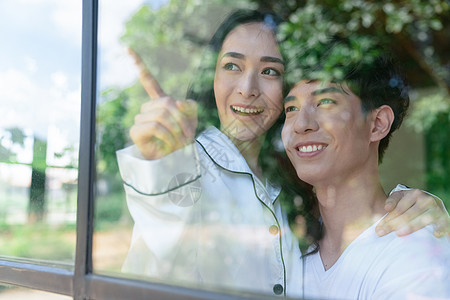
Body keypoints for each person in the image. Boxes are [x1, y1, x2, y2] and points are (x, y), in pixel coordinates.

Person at [116, 9, 447, 298]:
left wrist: (430, 211)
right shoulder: (186, 168)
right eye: (231, 65)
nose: (247, 89)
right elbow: (163, 215)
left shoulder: (294, 204)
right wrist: (162, 161)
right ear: (211, 78)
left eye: (270, 71)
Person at [281, 39, 449, 299]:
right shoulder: (282, 247)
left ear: (377, 124)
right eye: (291, 108)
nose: (300, 124)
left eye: (325, 102)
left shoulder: (414, 253)